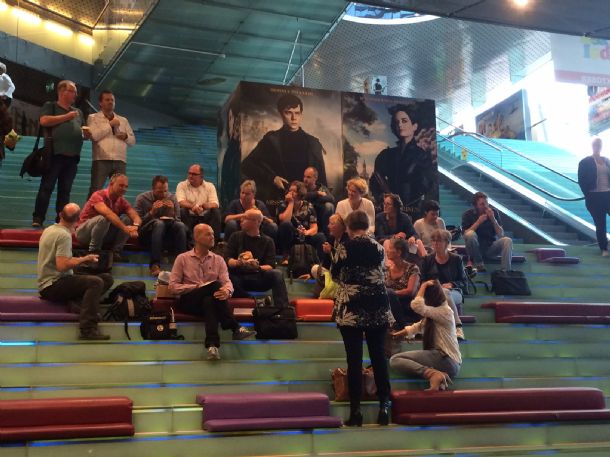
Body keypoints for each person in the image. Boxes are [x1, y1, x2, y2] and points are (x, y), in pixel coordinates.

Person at [331, 210, 392, 426]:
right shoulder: (379, 247)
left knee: (354, 359)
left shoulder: (344, 247)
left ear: (348, 227)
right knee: (379, 357)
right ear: (366, 226)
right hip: (377, 305)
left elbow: (335, 275)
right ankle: (384, 406)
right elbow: (384, 273)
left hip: (352, 307)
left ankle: (355, 411)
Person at [169, 224, 255, 361]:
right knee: (214, 285)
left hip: (209, 302)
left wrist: (227, 291)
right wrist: (198, 287)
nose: (213, 237)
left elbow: (227, 282)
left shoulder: (218, 259)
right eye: (208, 234)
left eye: (213, 234)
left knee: (209, 300)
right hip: (189, 301)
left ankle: (212, 346)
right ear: (197, 237)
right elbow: (173, 287)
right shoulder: (182, 258)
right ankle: (234, 326)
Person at [38, 203, 113, 340]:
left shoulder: (49, 229)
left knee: (106, 278)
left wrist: (82, 259)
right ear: (78, 220)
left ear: (60, 215)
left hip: (51, 282)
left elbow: (60, 260)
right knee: (95, 282)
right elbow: (62, 265)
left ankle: (77, 304)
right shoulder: (64, 235)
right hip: (52, 285)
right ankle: (88, 329)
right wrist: (83, 259)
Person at [241, 93, 327, 204]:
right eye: (288, 113)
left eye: (297, 113)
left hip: (307, 197)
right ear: (281, 113)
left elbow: (322, 177)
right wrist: (272, 178)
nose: (293, 118)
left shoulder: (312, 142)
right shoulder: (271, 140)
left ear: (301, 114)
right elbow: (247, 165)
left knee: (327, 206)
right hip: (278, 196)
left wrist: (321, 197)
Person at [32, 80, 91, 227]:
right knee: (47, 187)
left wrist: (85, 135)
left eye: (76, 92)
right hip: (54, 155)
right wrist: (67, 116)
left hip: (72, 158)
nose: (75, 94)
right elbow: (44, 121)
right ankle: (38, 218)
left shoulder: (78, 112)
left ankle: (61, 220)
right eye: (72, 91)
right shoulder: (51, 106)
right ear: (61, 91)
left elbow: (82, 130)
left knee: (65, 191)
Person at [390, 280, 462, 391]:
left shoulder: (445, 312)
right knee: (397, 359)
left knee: (395, 359)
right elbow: (418, 326)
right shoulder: (436, 313)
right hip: (446, 361)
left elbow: (416, 305)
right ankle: (437, 374)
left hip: (446, 359)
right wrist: (397, 334)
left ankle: (432, 374)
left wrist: (423, 285)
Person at [370, 104, 435, 218]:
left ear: (414, 126)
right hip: (389, 212)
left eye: (404, 121)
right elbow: (375, 181)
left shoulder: (422, 156)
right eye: (397, 122)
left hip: (413, 211)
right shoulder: (386, 155)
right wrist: (384, 200)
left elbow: (426, 185)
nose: (400, 125)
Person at [225, 208, 289, 308]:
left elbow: (270, 266)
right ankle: (255, 300)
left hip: (258, 277)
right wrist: (239, 262)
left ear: (257, 222)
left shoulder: (268, 241)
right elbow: (228, 260)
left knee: (277, 274)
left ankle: (282, 309)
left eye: (245, 218)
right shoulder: (235, 236)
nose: (241, 220)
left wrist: (257, 267)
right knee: (227, 277)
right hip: (239, 277)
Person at [76, 173, 141, 262]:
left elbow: (135, 215)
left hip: (102, 234)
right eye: (121, 185)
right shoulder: (98, 195)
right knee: (103, 218)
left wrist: (135, 226)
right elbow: (108, 214)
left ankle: (116, 252)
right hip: (84, 234)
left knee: (127, 219)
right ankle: (94, 251)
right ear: (111, 184)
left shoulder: (121, 200)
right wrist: (125, 228)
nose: (124, 189)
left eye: (126, 186)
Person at [135, 175, 188, 276]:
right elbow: (137, 223)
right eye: (160, 191)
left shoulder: (172, 198)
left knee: (180, 225)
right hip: (147, 235)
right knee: (159, 223)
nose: (163, 194)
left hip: (167, 235)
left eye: (165, 191)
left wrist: (172, 213)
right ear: (153, 189)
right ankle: (154, 264)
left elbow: (178, 220)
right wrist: (151, 212)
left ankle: (182, 265)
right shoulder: (142, 198)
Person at [87, 90, 136, 196]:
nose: (110, 102)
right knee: (96, 189)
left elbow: (132, 141)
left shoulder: (123, 120)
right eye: (107, 100)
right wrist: (110, 125)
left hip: (120, 160)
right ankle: (92, 208)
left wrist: (125, 136)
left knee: (119, 191)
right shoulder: (93, 117)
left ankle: (116, 208)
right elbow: (94, 136)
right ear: (100, 103)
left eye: (112, 100)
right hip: (101, 159)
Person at [421, 229, 468, 340]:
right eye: (433, 241)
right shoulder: (427, 259)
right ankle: (457, 327)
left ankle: (426, 326)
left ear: (447, 243)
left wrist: (452, 284)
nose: (435, 243)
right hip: (433, 292)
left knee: (445, 293)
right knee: (442, 293)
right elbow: (422, 281)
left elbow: (464, 282)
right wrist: (434, 285)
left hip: (454, 292)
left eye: (439, 241)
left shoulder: (456, 259)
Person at [461, 191, 512, 271]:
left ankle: (506, 270)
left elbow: (501, 234)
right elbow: (465, 234)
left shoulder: (494, 212)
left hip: (490, 247)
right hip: (474, 248)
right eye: (482, 204)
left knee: (507, 240)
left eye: (486, 203)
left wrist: (493, 219)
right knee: (470, 234)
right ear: (476, 206)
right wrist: (478, 222)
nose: (485, 206)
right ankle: (479, 264)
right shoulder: (468, 214)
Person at [277, 180, 326, 263]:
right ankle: (286, 257)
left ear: (300, 194)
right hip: (291, 237)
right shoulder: (283, 204)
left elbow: (314, 228)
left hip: (304, 236)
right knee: (286, 225)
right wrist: (291, 203)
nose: (291, 193)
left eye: (294, 191)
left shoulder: (308, 206)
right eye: (290, 190)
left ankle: (320, 263)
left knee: (321, 236)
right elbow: (285, 220)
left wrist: (306, 232)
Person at [578, 137, 610, 256]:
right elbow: (581, 180)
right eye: (596, 144)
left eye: (599, 145)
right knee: (600, 224)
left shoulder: (607, 161)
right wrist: (588, 195)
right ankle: (604, 248)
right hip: (594, 197)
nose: (598, 147)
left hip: (608, 194)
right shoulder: (585, 162)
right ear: (592, 146)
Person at [176, 164, 222, 242]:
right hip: (189, 216)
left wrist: (206, 206)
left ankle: (214, 242)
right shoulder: (181, 185)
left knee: (216, 211)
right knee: (182, 211)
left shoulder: (210, 186)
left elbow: (215, 203)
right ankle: (190, 242)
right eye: (189, 173)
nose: (190, 176)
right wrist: (193, 206)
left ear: (201, 176)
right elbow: (180, 202)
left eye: (194, 174)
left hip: (205, 216)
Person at [384, 237, 421, 330]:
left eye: (390, 248)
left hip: (407, 304)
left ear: (399, 252)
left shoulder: (413, 268)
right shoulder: (386, 269)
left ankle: (403, 325)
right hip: (388, 304)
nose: (387, 250)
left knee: (388, 293)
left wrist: (391, 293)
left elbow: (410, 291)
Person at [303, 166, 335, 236]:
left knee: (329, 206)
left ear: (315, 178)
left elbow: (331, 198)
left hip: (319, 215)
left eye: (308, 177)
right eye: (304, 176)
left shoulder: (321, 187)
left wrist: (315, 199)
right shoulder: (301, 187)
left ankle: (327, 234)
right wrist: (317, 193)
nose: (305, 179)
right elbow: (303, 196)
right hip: (305, 216)